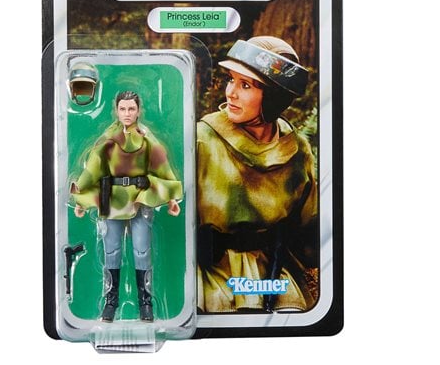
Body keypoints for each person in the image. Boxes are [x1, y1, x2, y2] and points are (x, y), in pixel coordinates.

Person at [197, 36, 318, 313]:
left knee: (288, 320)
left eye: (246, 85)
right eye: (231, 80)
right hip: (209, 274)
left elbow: (309, 230)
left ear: (274, 97)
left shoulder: (298, 150)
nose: (231, 93)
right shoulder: (202, 140)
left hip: (272, 275)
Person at [71, 91, 182, 322]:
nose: (127, 113)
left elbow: (162, 166)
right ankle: (111, 301)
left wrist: (172, 198)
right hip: (112, 200)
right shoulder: (107, 140)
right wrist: (81, 199)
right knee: (112, 252)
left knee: (142, 251)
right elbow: (92, 169)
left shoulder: (147, 140)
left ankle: (145, 302)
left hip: (141, 199)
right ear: (116, 110)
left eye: (131, 109)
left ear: (138, 110)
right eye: (123, 109)